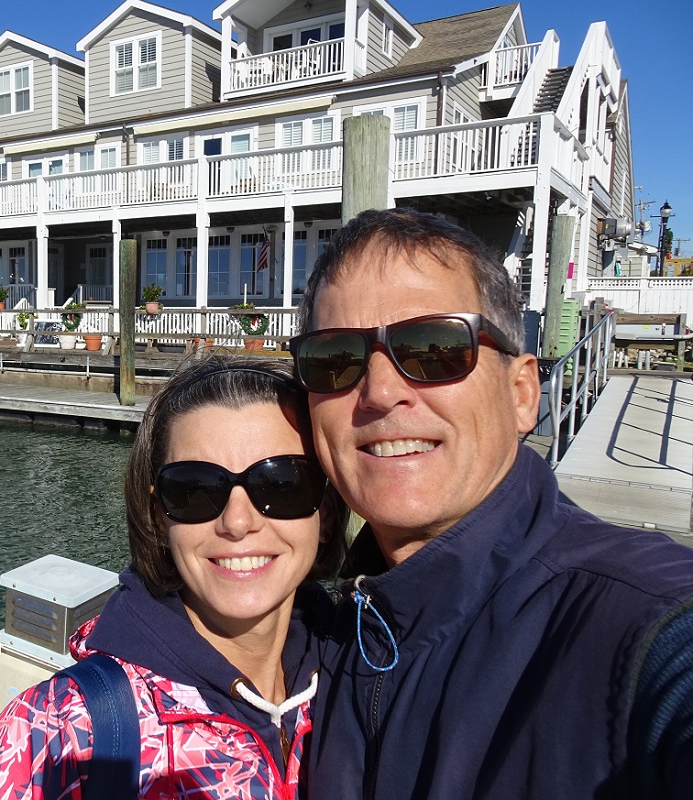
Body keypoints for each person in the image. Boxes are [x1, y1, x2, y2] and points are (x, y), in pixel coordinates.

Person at [288, 207, 693, 799]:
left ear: (522, 393)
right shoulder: (328, 632)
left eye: (433, 347)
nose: (379, 393)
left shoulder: (640, 622)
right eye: (334, 359)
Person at [0, 358, 347, 799]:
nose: (237, 522)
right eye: (194, 489)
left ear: (327, 508)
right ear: (156, 516)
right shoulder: (55, 733)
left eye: (282, 484)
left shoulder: (366, 674)